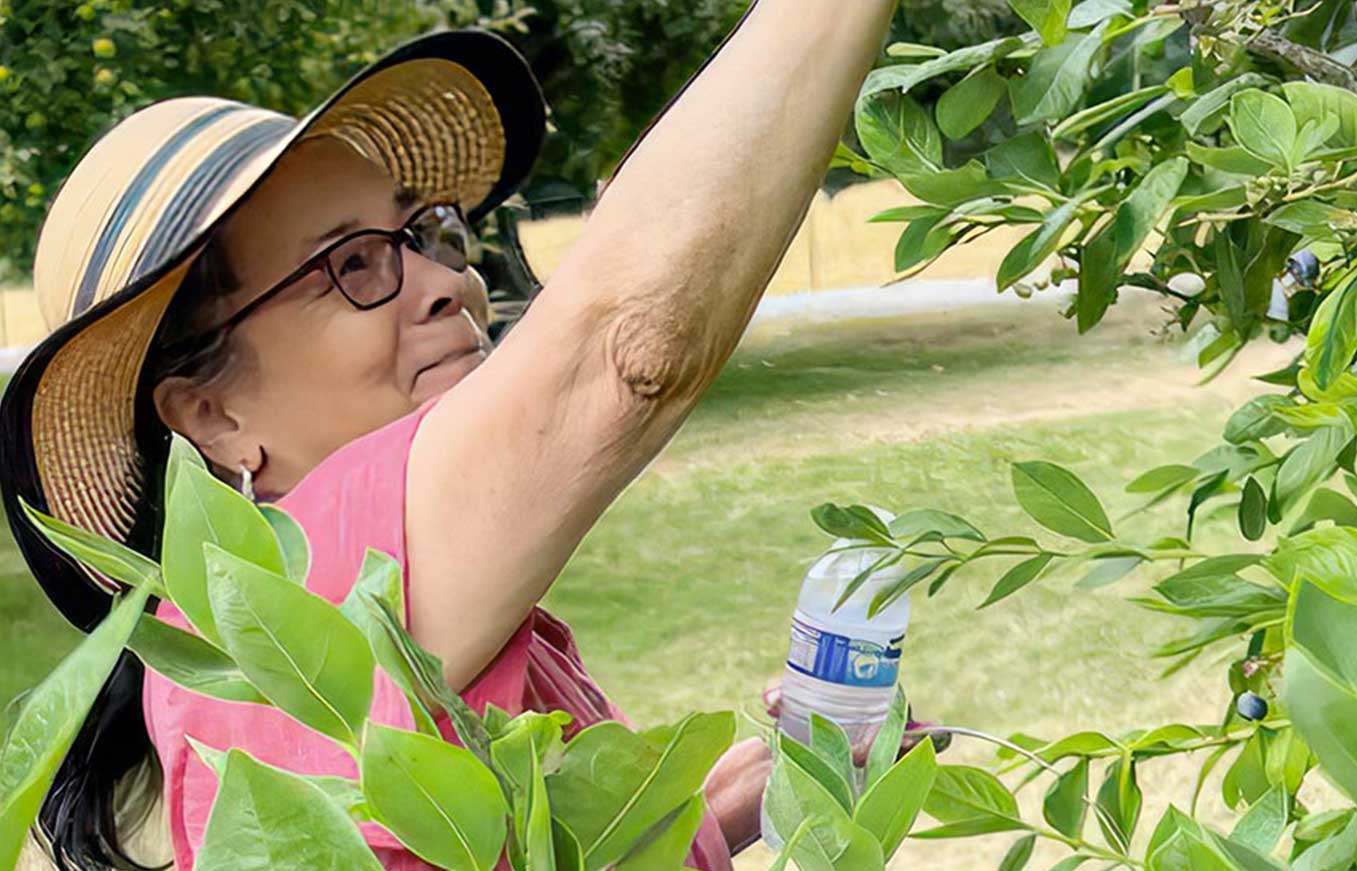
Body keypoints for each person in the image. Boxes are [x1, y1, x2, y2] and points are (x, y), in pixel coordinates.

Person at [0, 1, 902, 869]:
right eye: (350, 264)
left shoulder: (350, 618)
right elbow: (623, 354)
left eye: (424, 232)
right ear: (214, 417)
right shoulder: (312, 597)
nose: (443, 281)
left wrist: (731, 802)